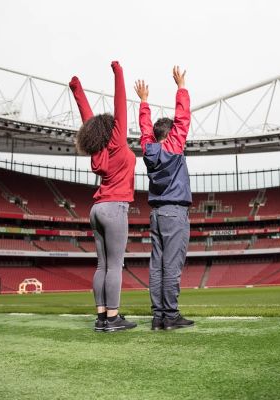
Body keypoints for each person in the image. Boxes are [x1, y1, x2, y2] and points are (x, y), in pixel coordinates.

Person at [69, 61, 136, 332]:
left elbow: (88, 118)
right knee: (115, 266)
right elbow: (121, 103)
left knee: (102, 265)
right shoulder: (118, 140)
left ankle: (100, 317)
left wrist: (77, 89)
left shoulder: (97, 150)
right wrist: (119, 74)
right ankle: (112, 318)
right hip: (114, 208)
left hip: (96, 209)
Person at [134, 66, 194, 330]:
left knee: (157, 265)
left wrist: (144, 102)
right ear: (170, 136)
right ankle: (170, 315)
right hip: (174, 213)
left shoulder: (149, 149)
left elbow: (146, 131)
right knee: (171, 266)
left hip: (156, 214)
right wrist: (181, 87)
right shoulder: (173, 146)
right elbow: (183, 120)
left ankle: (158, 316)